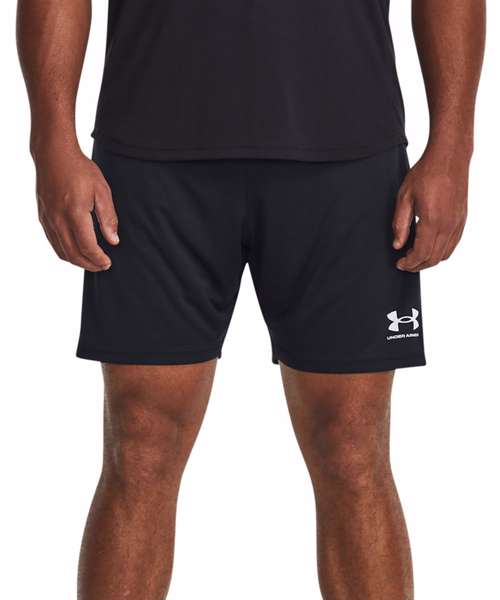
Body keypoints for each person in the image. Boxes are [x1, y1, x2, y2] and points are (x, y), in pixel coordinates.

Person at [17, 0, 485, 598]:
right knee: (140, 441)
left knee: (351, 444)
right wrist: (50, 141)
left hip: (347, 154)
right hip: (152, 155)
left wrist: (453, 148)